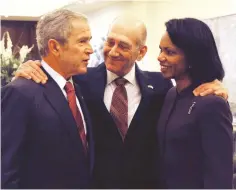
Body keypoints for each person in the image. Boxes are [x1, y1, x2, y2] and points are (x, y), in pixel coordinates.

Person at [13, 16, 228, 188]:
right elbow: (53, 77)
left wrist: (216, 85)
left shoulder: (162, 88)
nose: (113, 51)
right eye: (110, 42)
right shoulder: (80, 81)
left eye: (123, 46)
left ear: (141, 52)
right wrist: (29, 68)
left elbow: (193, 105)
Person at [1, 9, 94, 189]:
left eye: (89, 40)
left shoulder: (79, 88)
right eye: (83, 41)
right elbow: (7, 171)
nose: (90, 49)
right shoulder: (20, 93)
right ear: (55, 47)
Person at [156, 18, 233, 189]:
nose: (160, 57)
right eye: (161, 50)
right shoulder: (170, 94)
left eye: (169, 52)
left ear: (192, 57)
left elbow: (220, 176)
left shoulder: (211, 103)